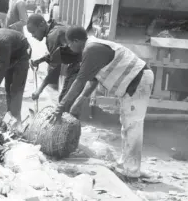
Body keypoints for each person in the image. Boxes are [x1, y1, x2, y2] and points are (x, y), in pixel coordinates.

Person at [52, 26, 154, 180]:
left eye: (70, 44)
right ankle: (125, 166)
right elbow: (93, 80)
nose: (70, 48)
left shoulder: (91, 49)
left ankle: (132, 172)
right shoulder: (91, 48)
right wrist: (79, 101)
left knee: (133, 126)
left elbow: (80, 81)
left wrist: (60, 108)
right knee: (126, 125)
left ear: (76, 41)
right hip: (132, 83)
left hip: (138, 81)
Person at [27, 14, 81, 105]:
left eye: (33, 31)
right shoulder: (56, 28)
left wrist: (39, 90)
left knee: (64, 103)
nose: (33, 35)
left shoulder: (52, 36)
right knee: (66, 100)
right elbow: (57, 54)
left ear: (42, 24)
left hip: (79, 65)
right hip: (81, 62)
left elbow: (55, 67)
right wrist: (40, 60)